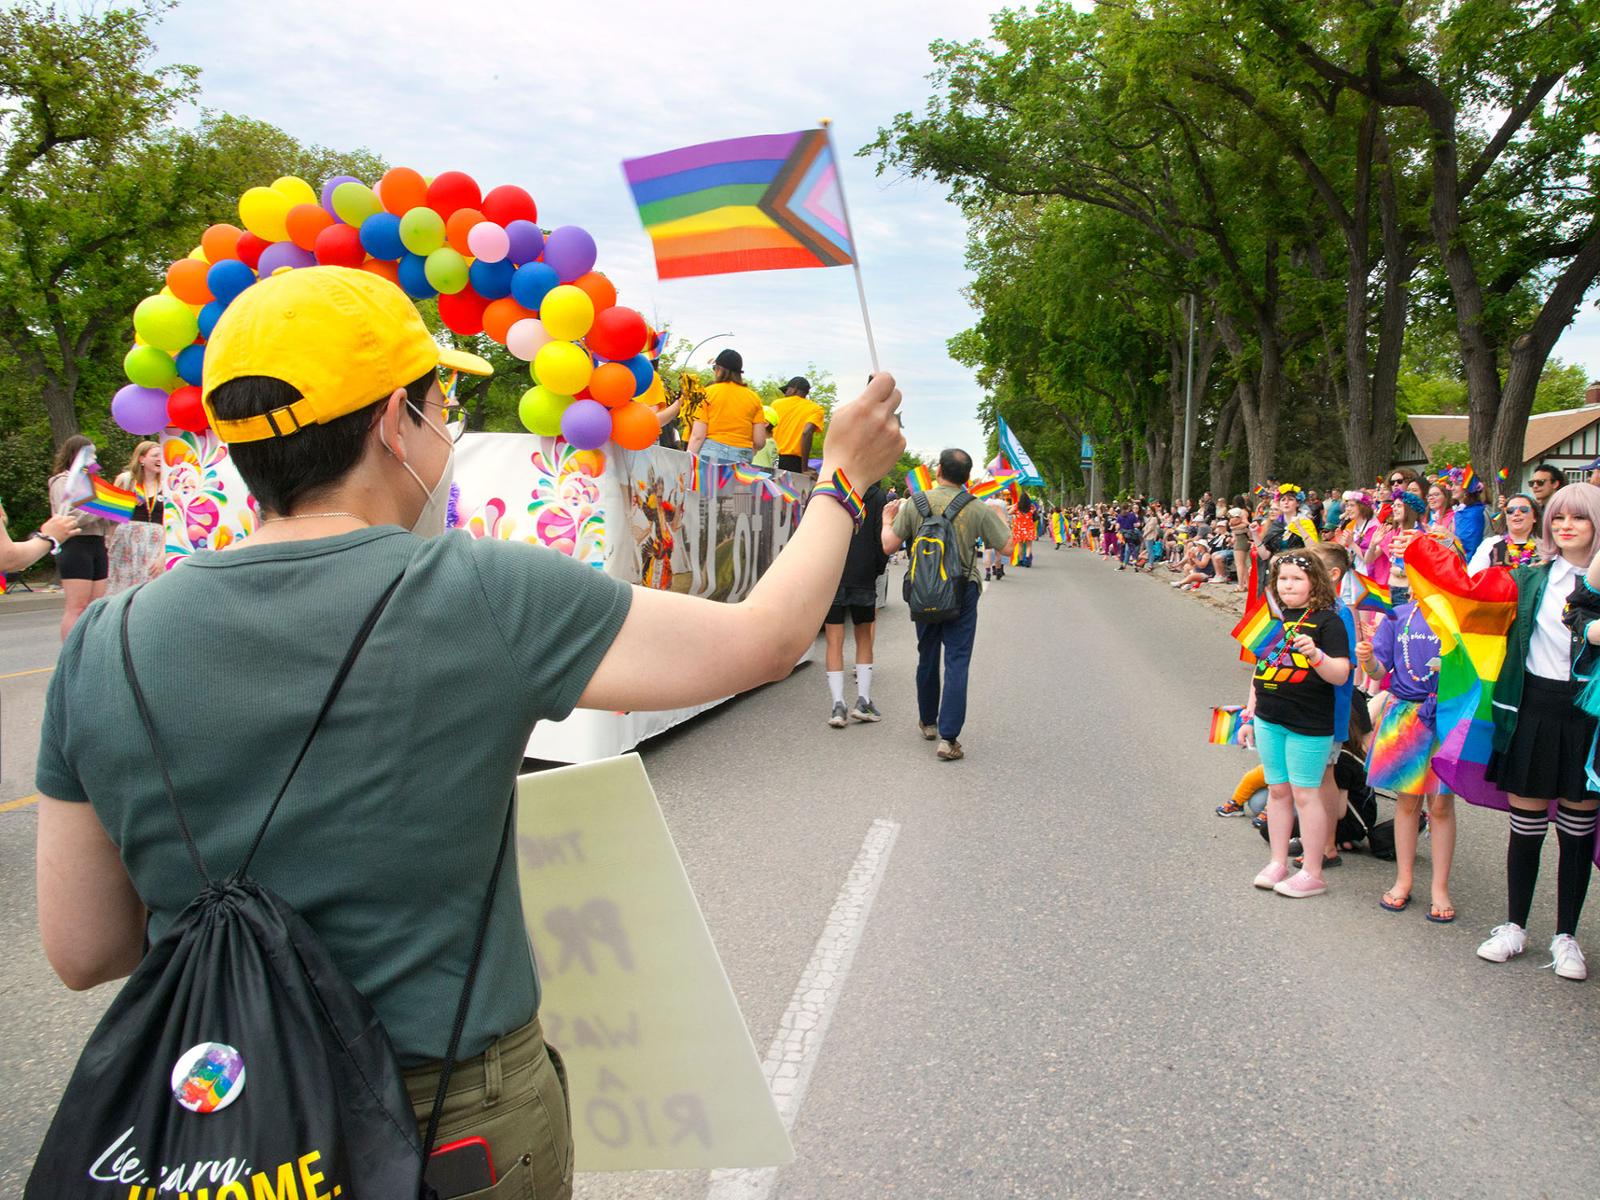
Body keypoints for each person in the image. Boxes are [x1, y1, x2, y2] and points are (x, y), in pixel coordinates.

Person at [32, 266, 906, 1189]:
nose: (443, 426)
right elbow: (765, 640)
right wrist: (843, 477)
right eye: (438, 400)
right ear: (389, 424)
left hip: (215, 1123)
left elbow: (85, 950)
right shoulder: (478, 591)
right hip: (444, 1118)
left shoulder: (103, 642)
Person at [1475, 482, 1600, 980]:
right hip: (1532, 707)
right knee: (1524, 826)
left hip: (1588, 717)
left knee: (1576, 830)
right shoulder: (1529, 578)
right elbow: (1476, 610)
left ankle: (1566, 937)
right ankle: (1514, 926)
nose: (1565, 526)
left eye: (1579, 519)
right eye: (1559, 518)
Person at [882, 448, 1013, 762]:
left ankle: (928, 722)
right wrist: (1000, 516)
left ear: (938, 470)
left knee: (926, 655)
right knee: (956, 660)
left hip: (924, 589)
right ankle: (949, 738)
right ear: (967, 477)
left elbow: (889, 544)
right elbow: (1007, 548)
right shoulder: (975, 507)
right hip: (961, 590)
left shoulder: (917, 503)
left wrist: (887, 520)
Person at [1358, 536, 1459, 923]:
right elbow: (1382, 673)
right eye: (1415, 570)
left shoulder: (1459, 616)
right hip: (1404, 716)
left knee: (1442, 805)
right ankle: (1403, 880)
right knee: (1406, 801)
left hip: (1447, 717)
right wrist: (1367, 662)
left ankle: (1440, 887)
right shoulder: (1398, 616)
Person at [1242, 551, 1353, 898]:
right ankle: (1277, 862)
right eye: (1282, 579)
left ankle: (1312, 870)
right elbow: (1261, 671)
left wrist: (1316, 655)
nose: (1288, 585)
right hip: (1269, 717)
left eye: (1297, 579)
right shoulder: (1270, 618)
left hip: (1309, 721)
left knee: (1306, 794)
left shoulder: (1328, 621)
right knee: (1278, 791)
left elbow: (1341, 674)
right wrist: (1249, 714)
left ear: (1315, 582)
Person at [825, 481, 889, 727]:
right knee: (864, 637)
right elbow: (880, 539)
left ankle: (837, 705)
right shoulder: (877, 495)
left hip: (833, 574)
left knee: (834, 640)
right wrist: (876, 570)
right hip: (863, 576)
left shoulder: (832, 489)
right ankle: (863, 700)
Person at [47, 434, 114, 641]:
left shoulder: (93, 484)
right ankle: (70, 651)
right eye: (89, 454)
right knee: (77, 606)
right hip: (75, 545)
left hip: (96, 543)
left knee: (95, 606)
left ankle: (88, 647)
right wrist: (100, 510)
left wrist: (118, 511)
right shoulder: (62, 481)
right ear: (75, 455)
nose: (93, 459)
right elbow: (68, 515)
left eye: (94, 454)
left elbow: (103, 520)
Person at [686, 348, 765, 463]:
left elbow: (698, 436)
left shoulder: (707, 393)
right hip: (742, 455)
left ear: (719, 369)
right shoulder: (754, 398)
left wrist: (688, 461)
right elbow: (759, 442)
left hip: (711, 452)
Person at [107, 440, 166, 595]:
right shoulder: (126, 480)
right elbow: (113, 516)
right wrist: (109, 542)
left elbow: (171, 521)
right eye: (155, 455)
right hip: (127, 541)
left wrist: (163, 553)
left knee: (152, 587)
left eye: (162, 455)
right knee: (123, 588)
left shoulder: (167, 483)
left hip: (155, 541)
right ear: (141, 459)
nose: (160, 459)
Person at [0, 498, 78, 574]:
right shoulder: (64, 487)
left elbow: (4, 518)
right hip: (78, 543)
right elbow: (7, 558)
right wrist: (49, 537)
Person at [1469, 492, 1542, 572]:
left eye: (1523, 509)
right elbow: (1474, 577)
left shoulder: (1546, 546)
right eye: (1510, 510)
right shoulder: (1490, 544)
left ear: (1535, 517)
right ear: (1506, 518)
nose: (1516, 513)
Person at [772, 377, 824, 474]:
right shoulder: (815, 409)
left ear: (794, 389)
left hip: (771, 458)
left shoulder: (776, 404)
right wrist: (804, 469)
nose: (785, 394)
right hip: (793, 462)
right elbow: (807, 432)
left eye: (786, 390)